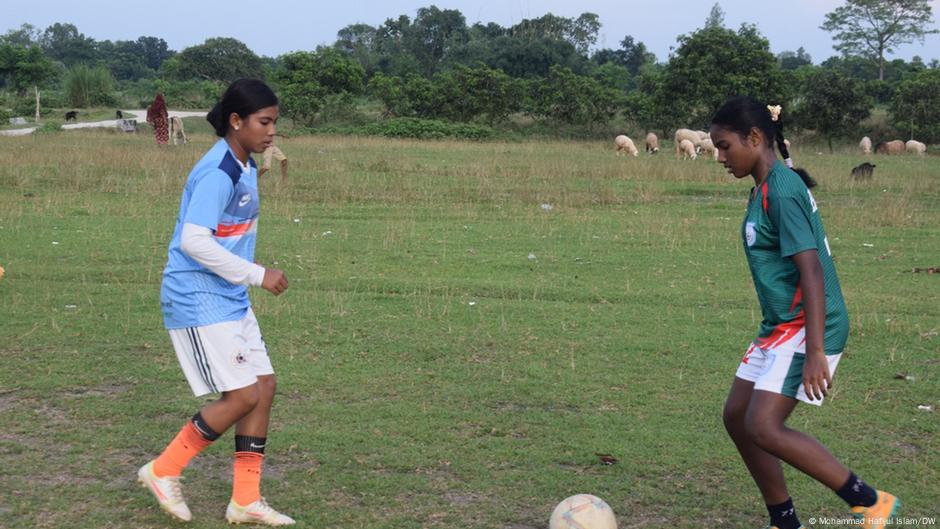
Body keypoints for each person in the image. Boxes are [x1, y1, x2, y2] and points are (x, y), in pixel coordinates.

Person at [710, 97, 899, 529]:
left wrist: (816, 351)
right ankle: (784, 519)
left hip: (810, 323)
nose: (720, 157)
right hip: (781, 325)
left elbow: (811, 270)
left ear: (754, 138)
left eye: (724, 147)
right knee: (737, 417)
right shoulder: (765, 185)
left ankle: (871, 503)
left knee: (764, 425)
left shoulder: (781, 189)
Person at [138, 79, 295, 526]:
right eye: (264, 122)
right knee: (242, 394)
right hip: (197, 295)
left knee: (263, 388)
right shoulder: (218, 171)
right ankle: (163, 470)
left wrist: (246, 277)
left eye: (275, 123)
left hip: (228, 295)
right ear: (236, 121)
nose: (271, 132)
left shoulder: (244, 164)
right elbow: (193, 241)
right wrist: (258, 274)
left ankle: (245, 499)